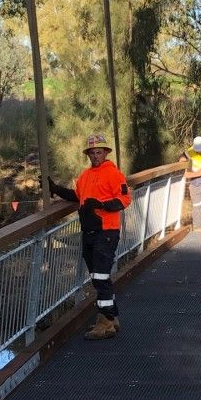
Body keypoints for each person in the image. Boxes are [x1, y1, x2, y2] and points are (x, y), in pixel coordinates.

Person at [49, 134, 132, 340]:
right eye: (92, 153)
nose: (95, 156)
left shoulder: (114, 174)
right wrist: (55, 189)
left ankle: (105, 322)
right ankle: (112, 318)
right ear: (88, 155)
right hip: (89, 231)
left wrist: (103, 205)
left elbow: (125, 198)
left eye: (99, 152)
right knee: (98, 276)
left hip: (106, 230)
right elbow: (77, 196)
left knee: (100, 276)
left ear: (105, 153)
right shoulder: (85, 175)